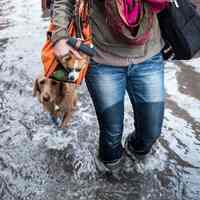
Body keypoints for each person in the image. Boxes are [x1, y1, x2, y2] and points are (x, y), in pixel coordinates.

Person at [52, 0, 167, 173]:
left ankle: (134, 154)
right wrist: (59, 37)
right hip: (102, 59)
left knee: (151, 132)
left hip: (148, 55)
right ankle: (110, 176)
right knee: (111, 134)